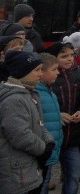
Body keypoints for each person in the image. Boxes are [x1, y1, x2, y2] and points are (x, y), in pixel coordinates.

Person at [0, 50, 55, 194]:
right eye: (36, 70)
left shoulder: (28, 92)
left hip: (27, 168)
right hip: (18, 174)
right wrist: (43, 149)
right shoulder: (14, 100)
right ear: (22, 72)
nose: (41, 74)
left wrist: (49, 142)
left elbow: (39, 123)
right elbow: (20, 135)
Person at [51, 42, 80, 194]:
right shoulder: (47, 77)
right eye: (64, 56)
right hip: (51, 137)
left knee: (74, 174)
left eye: (71, 55)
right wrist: (58, 115)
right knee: (44, 179)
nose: (70, 59)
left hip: (72, 137)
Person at [36, 53, 63, 194]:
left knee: (45, 184)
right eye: (54, 69)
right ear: (42, 71)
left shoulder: (49, 91)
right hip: (42, 151)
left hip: (49, 149)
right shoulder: (36, 93)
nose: (58, 72)